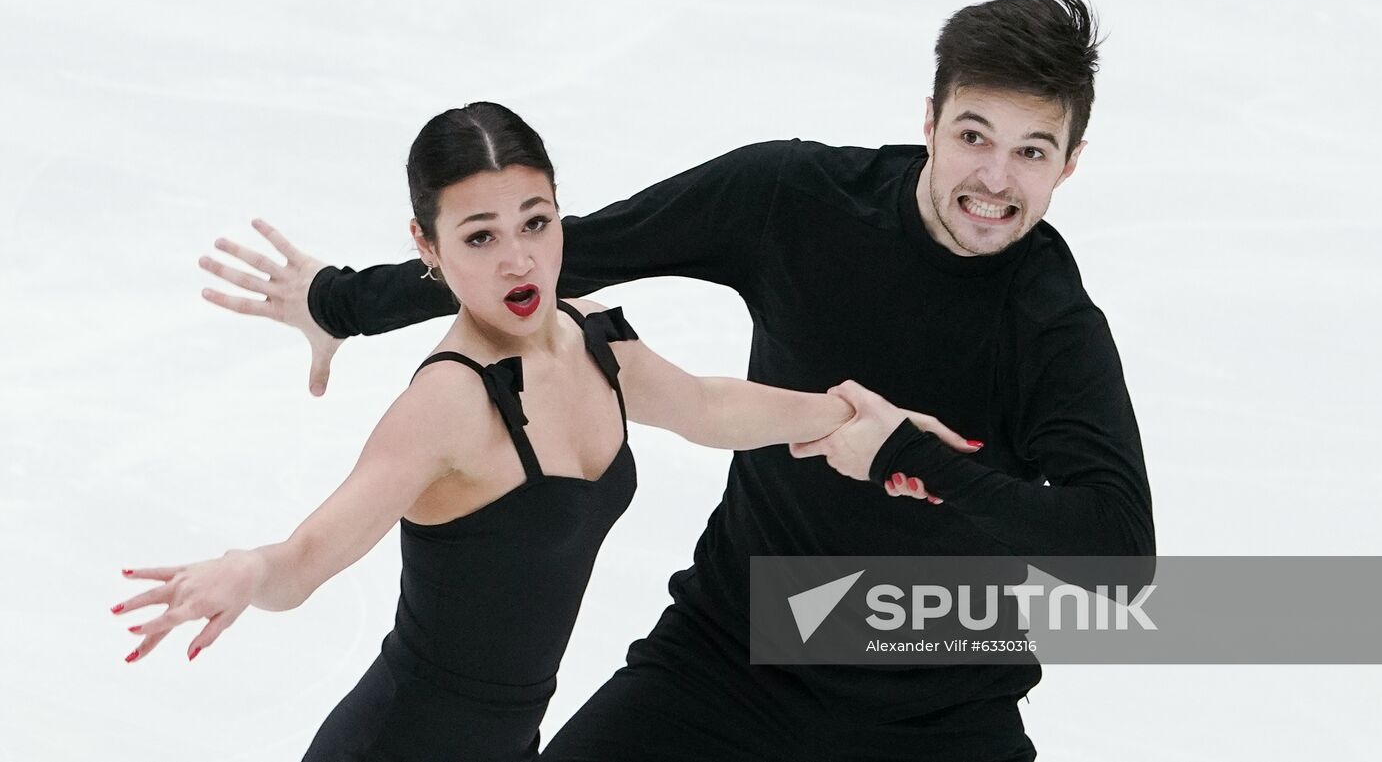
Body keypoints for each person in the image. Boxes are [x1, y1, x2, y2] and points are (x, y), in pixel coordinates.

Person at [196, 0, 1154, 760]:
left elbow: (1119, 559)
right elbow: (560, 253)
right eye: (975, 135)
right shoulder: (796, 201)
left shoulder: (1052, 326)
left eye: (1032, 152)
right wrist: (347, 302)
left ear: (1069, 165)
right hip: (729, 659)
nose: (994, 178)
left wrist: (910, 455)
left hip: (940, 710)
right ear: (933, 119)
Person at [112, 102, 974, 761]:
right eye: (480, 236)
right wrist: (246, 569)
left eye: (536, 221)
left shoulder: (593, 335)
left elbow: (706, 408)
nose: (519, 259)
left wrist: (858, 420)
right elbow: (307, 558)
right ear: (429, 248)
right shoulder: (448, 402)